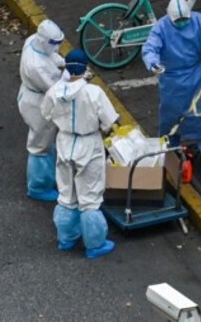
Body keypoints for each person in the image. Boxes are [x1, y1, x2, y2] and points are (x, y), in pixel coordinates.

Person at [40, 49, 120, 259]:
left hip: (65, 142)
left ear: (66, 67)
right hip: (88, 144)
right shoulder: (94, 93)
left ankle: (66, 238)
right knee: (90, 197)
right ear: (85, 68)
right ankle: (95, 244)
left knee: (66, 195)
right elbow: (110, 121)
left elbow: (45, 114)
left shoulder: (54, 91)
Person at [141, 0, 201, 173]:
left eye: (185, 19)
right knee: (170, 119)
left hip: (198, 77)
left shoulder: (199, 21)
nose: (182, 23)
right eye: (179, 20)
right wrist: (153, 63)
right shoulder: (161, 28)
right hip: (172, 81)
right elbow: (150, 48)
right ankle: (168, 152)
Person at [17, 19, 68, 201]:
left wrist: (63, 62)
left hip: (31, 96)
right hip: (38, 104)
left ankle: (48, 175)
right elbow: (55, 89)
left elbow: (50, 54)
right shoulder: (36, 67)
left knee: (46, 141)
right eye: (54, 43)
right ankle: (38, 186)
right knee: (40, 144)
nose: (57, 46)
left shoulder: (34, 41)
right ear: (44, 40)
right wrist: (72, 78)